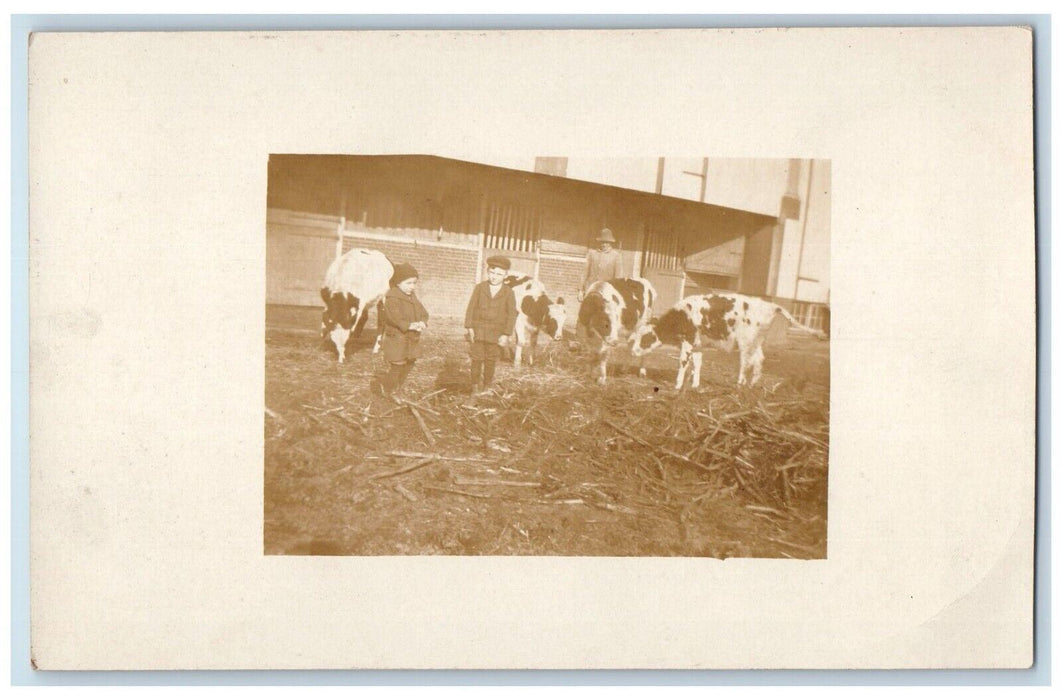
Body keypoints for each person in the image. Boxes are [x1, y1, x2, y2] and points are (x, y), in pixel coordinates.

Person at [373, 262, 429, 398]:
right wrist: (410, 325)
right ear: (398, 283)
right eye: (408, 283)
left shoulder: (412, 297)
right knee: (397, 365)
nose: (412, 287)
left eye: (414, 283)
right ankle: (387, 388)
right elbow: (394, 318)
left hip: (411, 339)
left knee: (409, 363)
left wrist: (423, 321)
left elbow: (423, 312)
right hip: (397, 338)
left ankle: (397, 386)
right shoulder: (392, 298)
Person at [464, 255, 517, 395]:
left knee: (490, 361)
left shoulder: (509, 292)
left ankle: (486, 386)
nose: (494, 277)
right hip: (478, 331)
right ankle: (475, 387)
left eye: (499, 274)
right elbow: (471, 307)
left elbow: (512, 315)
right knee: (476, 359)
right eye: (492, 273)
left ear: (506, 275)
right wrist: (469, 327)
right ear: (487, 272)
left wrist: (506, 334)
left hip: (496, 333)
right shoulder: (480, 288)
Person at [579, 228, 624, 301]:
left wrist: (616, 295)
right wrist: (580, 290)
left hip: (606, 293)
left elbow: (618, 278)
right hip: (590, 290)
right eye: (602, 242)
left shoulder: (616, 256)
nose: (604, 244)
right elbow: (584, 272)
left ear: (610, 243)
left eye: (606, 242)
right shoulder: (592, 254)